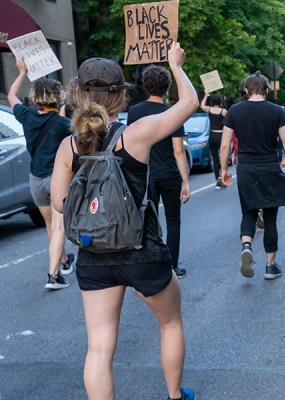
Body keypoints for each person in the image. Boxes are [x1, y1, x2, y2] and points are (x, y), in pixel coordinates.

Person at [50, 44, 197, 400]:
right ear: (121, 95)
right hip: (142, 250)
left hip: (94, 255)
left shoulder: (70, 145)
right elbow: (189, 103)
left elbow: (58, 203)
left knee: (99, 349)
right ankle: (175, 395)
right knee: (170, 322)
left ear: (80, 94)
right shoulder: (136, 133)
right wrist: (175, 66)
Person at [219, 72, 285, 280]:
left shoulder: (235, 111)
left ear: (246, 90)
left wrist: (224, 169)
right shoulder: (277, 111)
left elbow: (225, 144)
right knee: (271, 219)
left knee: (248, 213)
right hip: (270, 169)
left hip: (246, 170)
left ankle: (246, 245)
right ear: (267, 90)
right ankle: (270, 266)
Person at [8, 58, 75, 290]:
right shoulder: (63, 123)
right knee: (59, 228)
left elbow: (11, 97)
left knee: (50, 226)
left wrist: (21, 72)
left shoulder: (26, 117)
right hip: (56, 180)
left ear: (36, 97)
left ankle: (65, 260)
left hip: (35, 180)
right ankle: (53, 275)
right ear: (57, 97)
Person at [127, 65, 191, 279]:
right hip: (169, 174)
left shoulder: (134, 112)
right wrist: (186, 181)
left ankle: (149, 264)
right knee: (174, 221)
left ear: (145, 86)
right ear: (167, 87)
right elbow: (179, 150)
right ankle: (172, 267)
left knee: (146, 221)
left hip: (144, 175)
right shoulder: (172, 113)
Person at [200, 93, 228, 188]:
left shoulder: (209, 110)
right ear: (220, 101)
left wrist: (206, 95)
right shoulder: (224, 111)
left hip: (212, 136)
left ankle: (217, 181)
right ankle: (224, 179)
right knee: (223, 158)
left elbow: (202, 105)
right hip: (221, 135)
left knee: (215, 159)